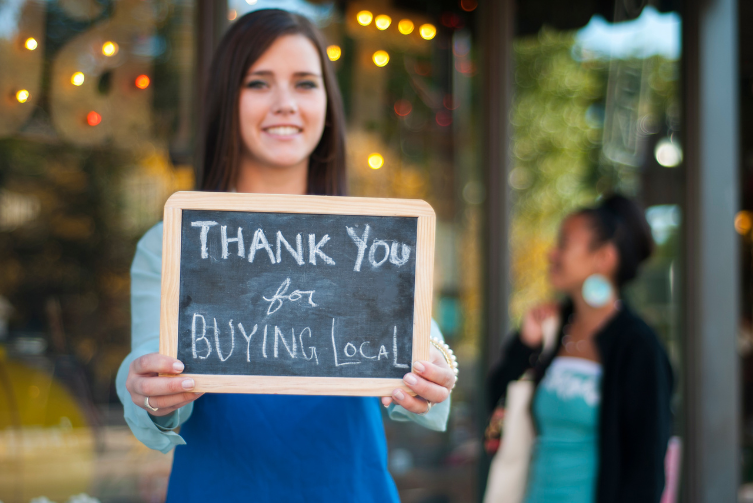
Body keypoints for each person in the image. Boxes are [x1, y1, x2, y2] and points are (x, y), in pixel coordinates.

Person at [115, 9, 456, 503]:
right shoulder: (171, 242)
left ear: (327, 103)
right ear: (226, 100)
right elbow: (155, 395)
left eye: (304, 84)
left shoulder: (370, 239)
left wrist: (436, 371)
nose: (284, 104)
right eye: (258, 83)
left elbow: (421, 352)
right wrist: (152, 393)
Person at [487, 195, 673, 503]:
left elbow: (646, 469)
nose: (552, 253)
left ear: (604, 258)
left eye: (564, 244)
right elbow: (496, 404)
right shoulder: (552, 331)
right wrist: (525, 345)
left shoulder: (638, 346)